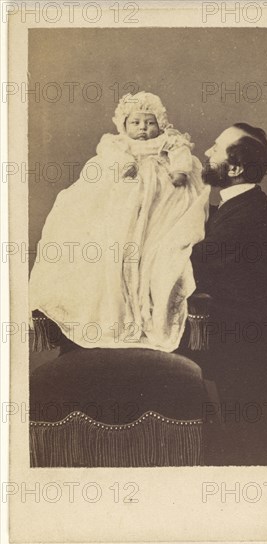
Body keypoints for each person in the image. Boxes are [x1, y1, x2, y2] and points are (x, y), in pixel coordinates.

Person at [30, 92, 209, 353]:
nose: (143, 129)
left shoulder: (168, 140)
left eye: (149, 122)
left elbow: (180, 152)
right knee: (99, 217)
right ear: (124, 125)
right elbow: (110, 156)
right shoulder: (116, 143)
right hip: (124, 192)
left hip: (160, 196)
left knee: (166, 212)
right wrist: (124, 165)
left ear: (160, 123)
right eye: (135, 123)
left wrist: (179, 170)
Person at [177, 123, 267, 465]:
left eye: (216, 149)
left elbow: (197, 261)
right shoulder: (241, 206)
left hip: (257, 356)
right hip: (249, 348)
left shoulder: (248, 215)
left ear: (234, 169)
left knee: (263, 458)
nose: (207, 153)